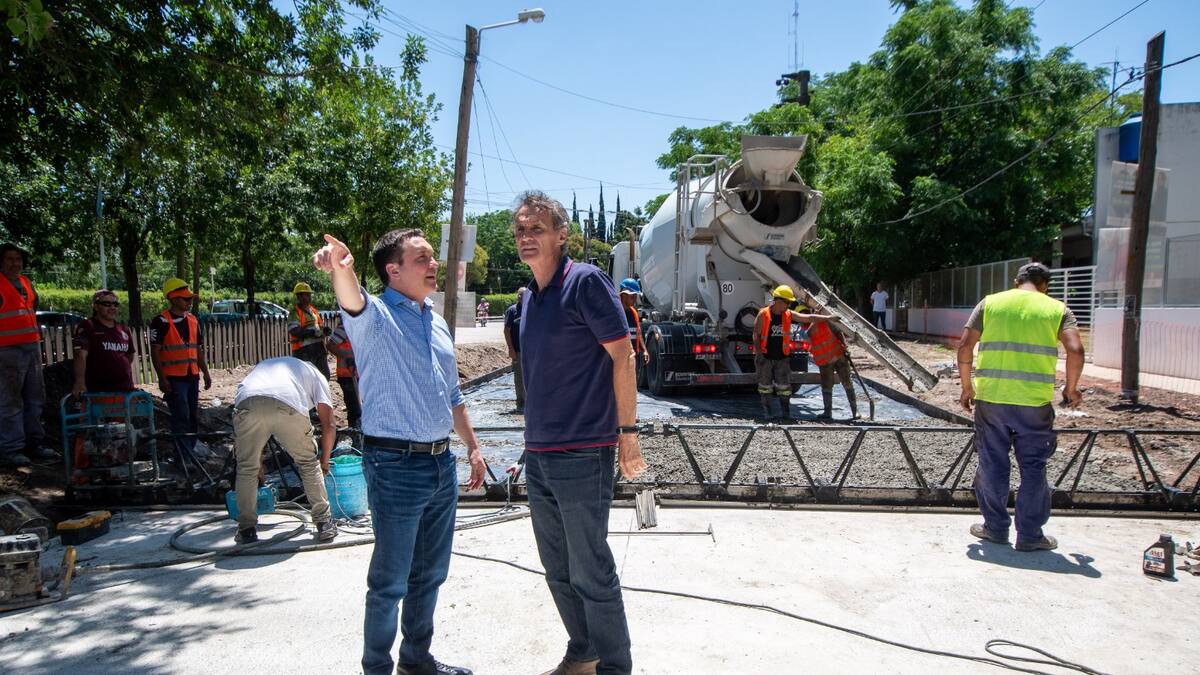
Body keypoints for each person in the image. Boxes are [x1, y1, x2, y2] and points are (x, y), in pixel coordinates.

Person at [313, 229, 486, 675]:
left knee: (430, 574)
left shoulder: (437, 320)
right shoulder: (375, 317)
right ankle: (376, 668)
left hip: (440, 463)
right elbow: (351, 296)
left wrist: (474, 448)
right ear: (393, 270)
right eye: (423, 258)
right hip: (395, 464)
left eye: (433, 257)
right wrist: (341, 267)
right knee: (390, 581)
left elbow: (453, 395)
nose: (434, 265)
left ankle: (416, 658)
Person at [511, 191, 646, 675]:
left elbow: (623, 355)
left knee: (590, 569)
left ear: (561, 235)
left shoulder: (585, 282)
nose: (528, 237)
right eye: (522, 230)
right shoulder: (528, 298)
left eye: (538, 229)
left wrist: (627, 433)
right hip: (540, 452)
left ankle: (614, 666)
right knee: (558, 569)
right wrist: (525, 449)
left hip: (584, 451)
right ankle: (584, 650)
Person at [958, 262, 1084, 552]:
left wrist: (967, 386)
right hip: (1034, 403)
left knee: (992, 463)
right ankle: (1029, 535)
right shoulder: (1057, 309)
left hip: (992, 401)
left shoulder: (990, 304)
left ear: (1017, 281)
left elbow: (965, 347)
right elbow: (1075, 350)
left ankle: (995, 529)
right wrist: (1071, 388)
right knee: (1034, 468)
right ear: (1045, 285)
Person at [231, 356, 338, 544]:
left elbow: (263, 409)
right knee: (307, 463)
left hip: (247, 402)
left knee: (247, 468)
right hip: (287, 402)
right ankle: (324, 522)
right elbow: (328, 424)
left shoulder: (272, 367)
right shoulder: (318, 376)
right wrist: (324, 461)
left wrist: (258, 464)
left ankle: (246, 529)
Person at [0, 243, 55, 467]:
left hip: (30, 347)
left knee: (35, 397)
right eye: (10, 259)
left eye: (18, 259)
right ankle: (11, 449)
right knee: (10, 401)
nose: (16, 263)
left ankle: (34, 443)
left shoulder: (25, 283)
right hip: (6, 351)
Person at [150, 278, 212, 454]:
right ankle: (183, 457)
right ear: (173, 298)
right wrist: (162, 378)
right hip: (174, 379)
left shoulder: (193, 320)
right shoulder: (160, 321)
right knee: (181, 415)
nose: (189, 302)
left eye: (190, 298)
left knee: (192, 416)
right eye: (186, 299)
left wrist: (205, 373)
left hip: (192, 376)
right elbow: (155, 351)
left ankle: (189, 453)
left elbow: (197, 349)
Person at [753, 285, 833, 421]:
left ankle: (786, 413)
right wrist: (759, 354)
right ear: (778, 301)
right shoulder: (763, 314)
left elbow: (807, 318)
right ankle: (767, 412)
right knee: (765, 387)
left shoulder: (788, 314)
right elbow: (756, 335)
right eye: (787, 302)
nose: (789, 305)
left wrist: (828, 317)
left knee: (784, 388)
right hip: (765, 357)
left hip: (782, 358)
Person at [71, 290, 136, 396]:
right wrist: (79, 382)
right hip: (98, 392)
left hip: (126, 390)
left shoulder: (124, 329)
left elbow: (130, 356)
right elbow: (80, 355)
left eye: (115, 304)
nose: (112, 308)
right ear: (96, 306)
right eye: (107, 304)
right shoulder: (88, 326)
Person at [805, 314, 859, 420]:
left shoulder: (827, 323)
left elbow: (838, 333)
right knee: (826, 386)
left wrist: (845, 347)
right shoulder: (808, 330)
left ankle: (855, 411)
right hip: (825, 361)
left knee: (847, 382)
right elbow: (810, 343)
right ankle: (827, 412)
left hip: (838, 356)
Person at [288, 281, 331, 380]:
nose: (308, 297)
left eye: (309, 294)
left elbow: (319, 327)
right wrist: (313, 333)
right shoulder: (295, 312)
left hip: (318, 349)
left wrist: (324, 331)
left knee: (324, 378)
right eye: (305, 295)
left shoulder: (314, 311)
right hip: (303, 351)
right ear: (299, 297)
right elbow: (294, 331)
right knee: (307, 380)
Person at [325, 318, 361, 429]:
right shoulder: (344, 328)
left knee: (359, 406)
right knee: (354, 408)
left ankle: (358, 431)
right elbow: (330, 345)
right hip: (346, 374)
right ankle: (355, 433)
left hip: (356, 373)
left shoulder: (357, 328)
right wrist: (345, 357)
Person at [618, 278, 650, 373]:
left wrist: (644, 350)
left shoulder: (634, 313)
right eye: (632, 296)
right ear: (623, 295)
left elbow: (638, 333)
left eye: (635, 296)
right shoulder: (615, 314)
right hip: (619, 361)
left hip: (633, 360)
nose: (635, 299)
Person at [502, 288, 527, 412]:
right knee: (519, 377)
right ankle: (521, 404)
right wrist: (511, 349)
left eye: (524, 294)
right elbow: (506, 330)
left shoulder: (532, 309)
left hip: (532, 351)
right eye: (520, 294)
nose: (521, 296)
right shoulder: (512, 311)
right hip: (518, 350)